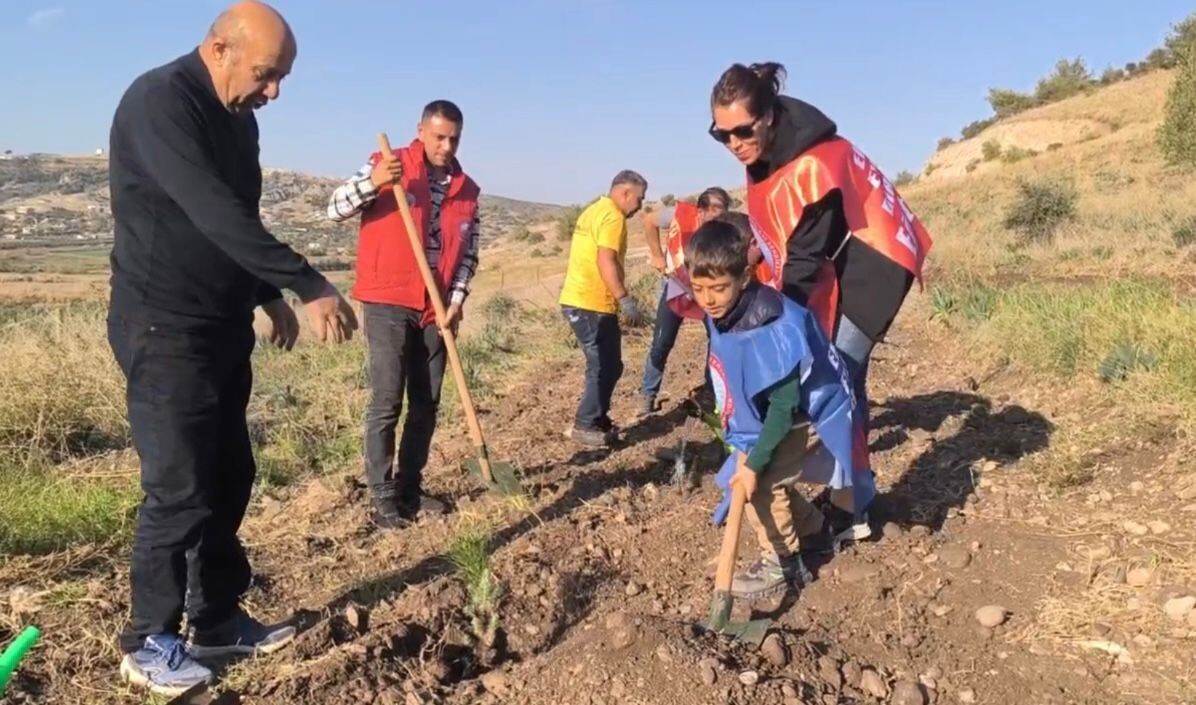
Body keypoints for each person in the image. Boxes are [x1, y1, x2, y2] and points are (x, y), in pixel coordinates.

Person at [107, 1, 358, 695]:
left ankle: (214, 619)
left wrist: (263, 295)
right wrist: (306, 283)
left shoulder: (238, 121)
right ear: (219, 48)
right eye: (266, 74)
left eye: (281, 79)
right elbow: (207, 209)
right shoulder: (162, 102)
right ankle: (147, 639)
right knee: (179, 483)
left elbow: (237, 217)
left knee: (229, 474)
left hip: (217, 324)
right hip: (164, 326)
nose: (273, 92)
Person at [708, 61, 933, 534]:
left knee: (837, 378)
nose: (733, 144)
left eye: (742, 131)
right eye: (721, 135)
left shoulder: (814, 166)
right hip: (841, 255)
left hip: (877, 259)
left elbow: (805, 263)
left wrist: (778, 340)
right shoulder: (767, 149)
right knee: (837, 376)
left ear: (768, 115)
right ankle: (853, 494)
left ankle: (856, 507)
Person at [686, 218, 866, 599]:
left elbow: (784, 408)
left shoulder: (773, 325)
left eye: (718, 288)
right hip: (776, 413)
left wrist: (754, 462)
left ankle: (782, 565)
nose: (708, 299)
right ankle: (815, 531)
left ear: (746, 276)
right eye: (699, 288)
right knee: (764, 477)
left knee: (762, 484)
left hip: (810, 411)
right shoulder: (725, 312)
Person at [326, 100, 481, 528]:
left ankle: (411, 486)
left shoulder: (467, 190)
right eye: (439, 137)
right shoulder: (388, 164)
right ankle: (382, 494)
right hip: (388, 301)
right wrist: (375, 182)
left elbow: (469, 254)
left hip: (436, 309)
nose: (446, 146)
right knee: (387, 401)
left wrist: (457, 300)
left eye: (454, 138)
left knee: (426, 404)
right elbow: (335, 208)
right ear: (420, 130)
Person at [558, 171, 649, 447]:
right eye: (639, 198)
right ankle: (585, 424)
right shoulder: (613, 216)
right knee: (603, 366)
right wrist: (625, 299)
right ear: (624, 193)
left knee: (609, 364)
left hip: (582, 300)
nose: (640, 206)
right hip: (590, 303)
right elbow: (606, 260)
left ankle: (597, 417)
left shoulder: (594, 210)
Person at [636, 187, 730, 417]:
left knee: (717, 341)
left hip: (707, 293)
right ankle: (647, 395)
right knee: (661, 343)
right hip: (677, 287)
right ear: (701, 210)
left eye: (722, 210)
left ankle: (711, 392)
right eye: (714, 210)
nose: (718, 216)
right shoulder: (679, 215)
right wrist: (657, 255)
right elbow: (648, 220)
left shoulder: (726, 229)